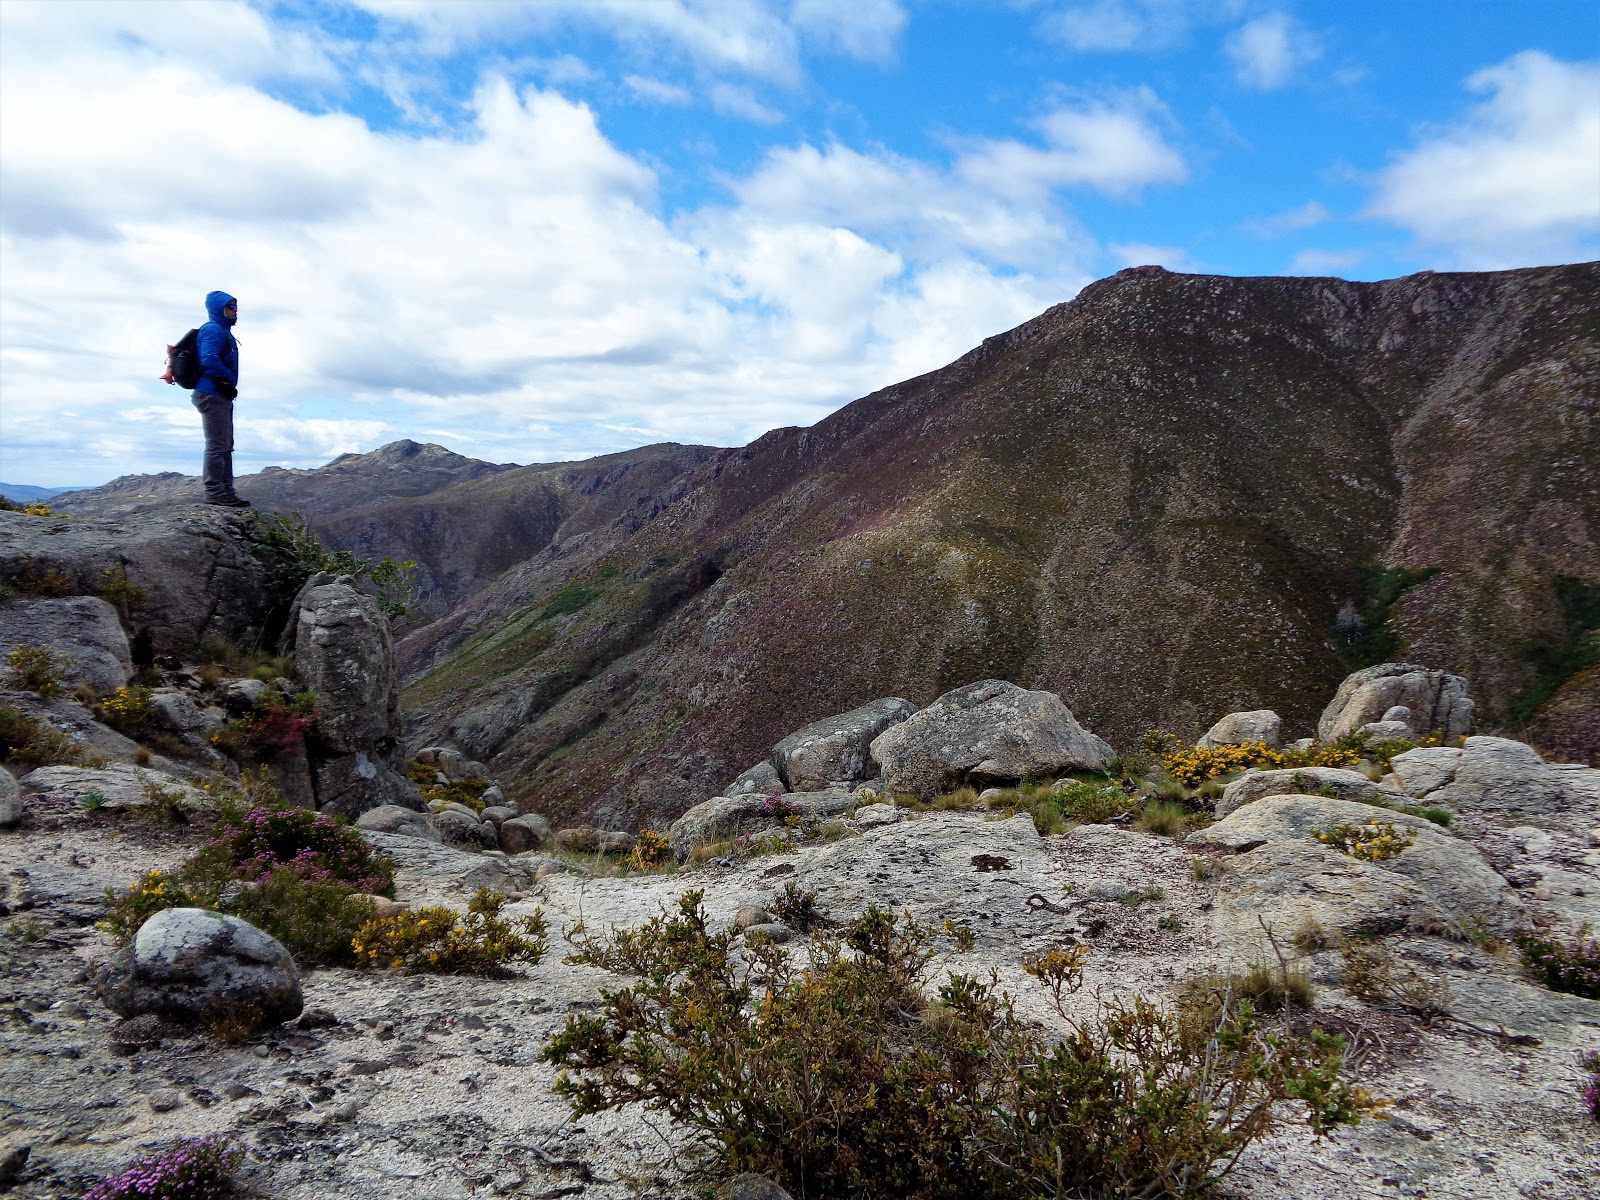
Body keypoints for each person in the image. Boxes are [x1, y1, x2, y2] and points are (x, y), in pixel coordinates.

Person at [191, 290, 250, 507]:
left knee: (225, 445)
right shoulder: (213, 330)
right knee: (217, 445)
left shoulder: (222, 331)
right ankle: (215, 492)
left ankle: (226, 491)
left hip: (219, 394)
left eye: (235, 307)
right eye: (230, 307)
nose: (235, 311)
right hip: (212, 393)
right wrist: (226, 379)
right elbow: (208, 360)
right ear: (218, 309)